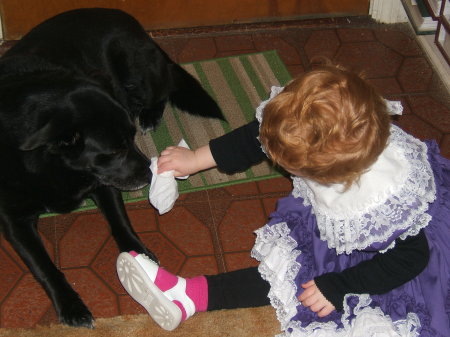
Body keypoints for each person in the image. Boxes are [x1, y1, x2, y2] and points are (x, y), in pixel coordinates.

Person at [116, 63, 450, 336]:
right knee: (297, 266)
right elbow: (256, 138)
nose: (271, 157)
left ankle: (188, 295)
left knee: (304, 277)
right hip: (359, 229)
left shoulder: (379, 202)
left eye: (284, 163)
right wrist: (195, 159)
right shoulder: (310, 124)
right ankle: (186, 297)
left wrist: (341, 285)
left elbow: (411, 259)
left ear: (326, 177)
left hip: (399, 265)